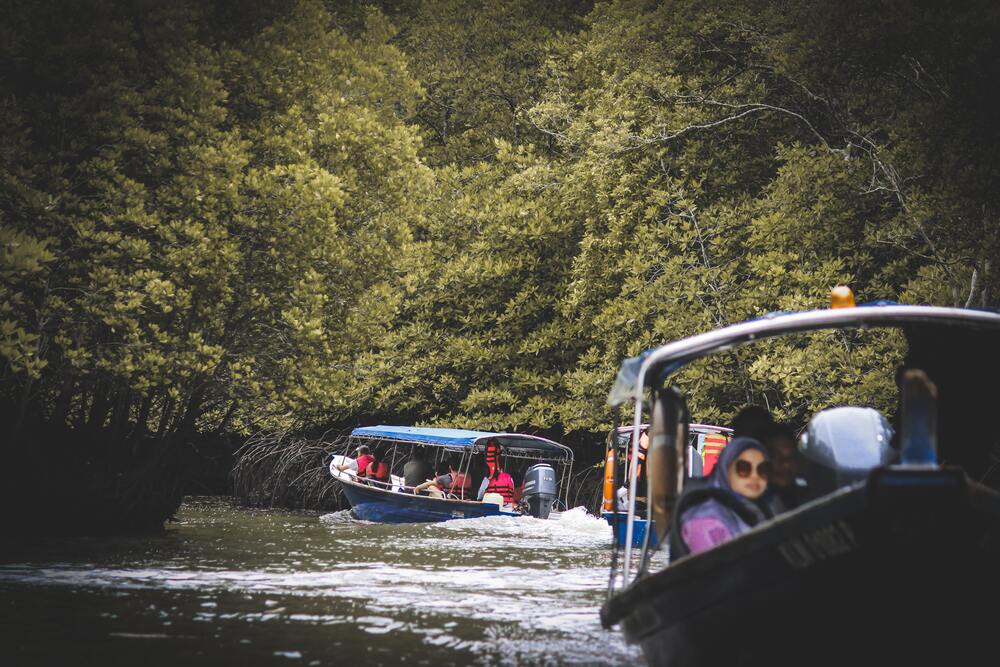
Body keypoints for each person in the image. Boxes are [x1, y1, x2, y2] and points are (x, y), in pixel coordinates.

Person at [673, 436, 773, 556]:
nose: (754, 476)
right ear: (727, 467)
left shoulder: (762, 510)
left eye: (763, 469)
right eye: (744, 468)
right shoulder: (704, 520)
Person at [761, 422, 805, 513]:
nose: (786, 465)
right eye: (775, 456)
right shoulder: (754, 508)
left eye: (790, 457)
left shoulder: (807, 491)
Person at [477, 440, 515, 505]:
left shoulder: (487, 480)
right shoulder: (509, 478)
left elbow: (479, 497)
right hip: (507, 508)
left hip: (490, 508)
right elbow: (512, 493)